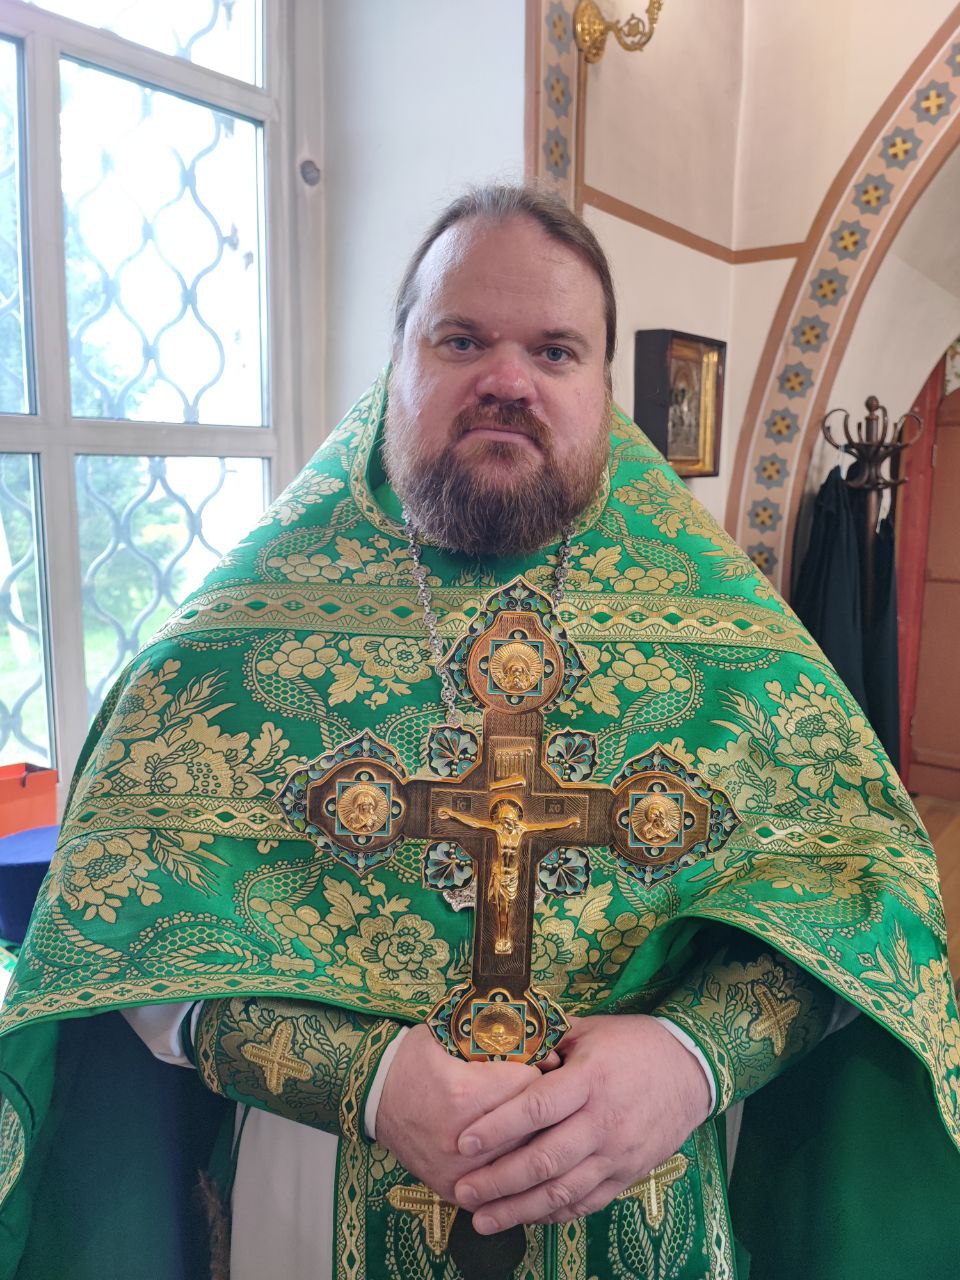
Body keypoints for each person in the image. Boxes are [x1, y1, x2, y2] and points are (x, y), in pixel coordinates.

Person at [0, 184, 958, 1280]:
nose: (509, 378)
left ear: (604, 389)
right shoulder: (227, 645)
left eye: (556, 350)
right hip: (316, 1196)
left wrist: (692, 1058)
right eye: (461, 339)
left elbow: (866, 901)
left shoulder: (740, 648)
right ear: (396, 365)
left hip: (644, 1196)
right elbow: (116, 927)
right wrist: (362, 1079)